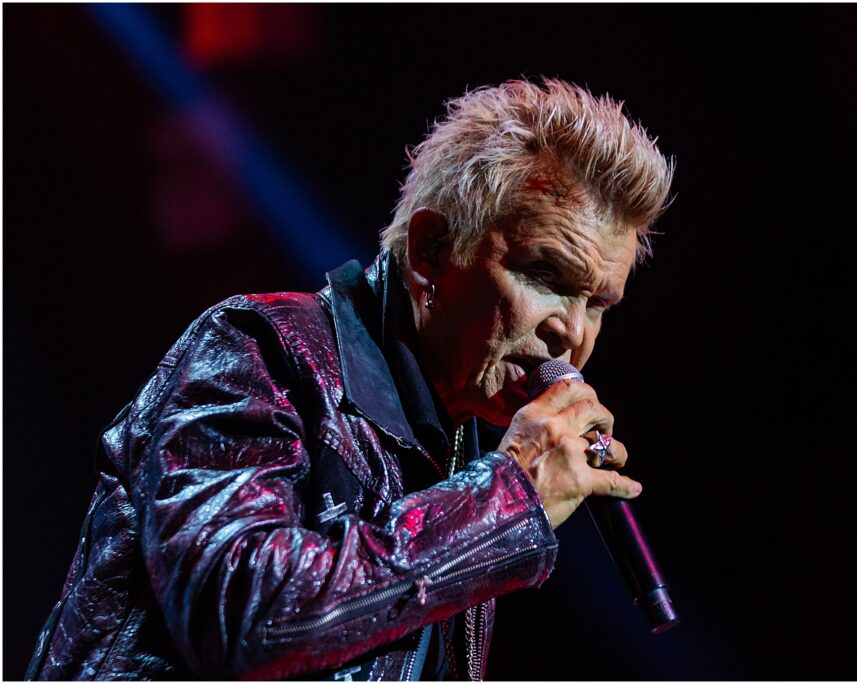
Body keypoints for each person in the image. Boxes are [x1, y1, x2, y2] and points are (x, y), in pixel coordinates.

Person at [27, 78, 675, 681]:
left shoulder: (458, 454)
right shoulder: (258, 350)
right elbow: (242, 616)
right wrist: (506, 499)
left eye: (598, 304)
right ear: (430, 255)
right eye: (546, 276)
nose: (573, 331)